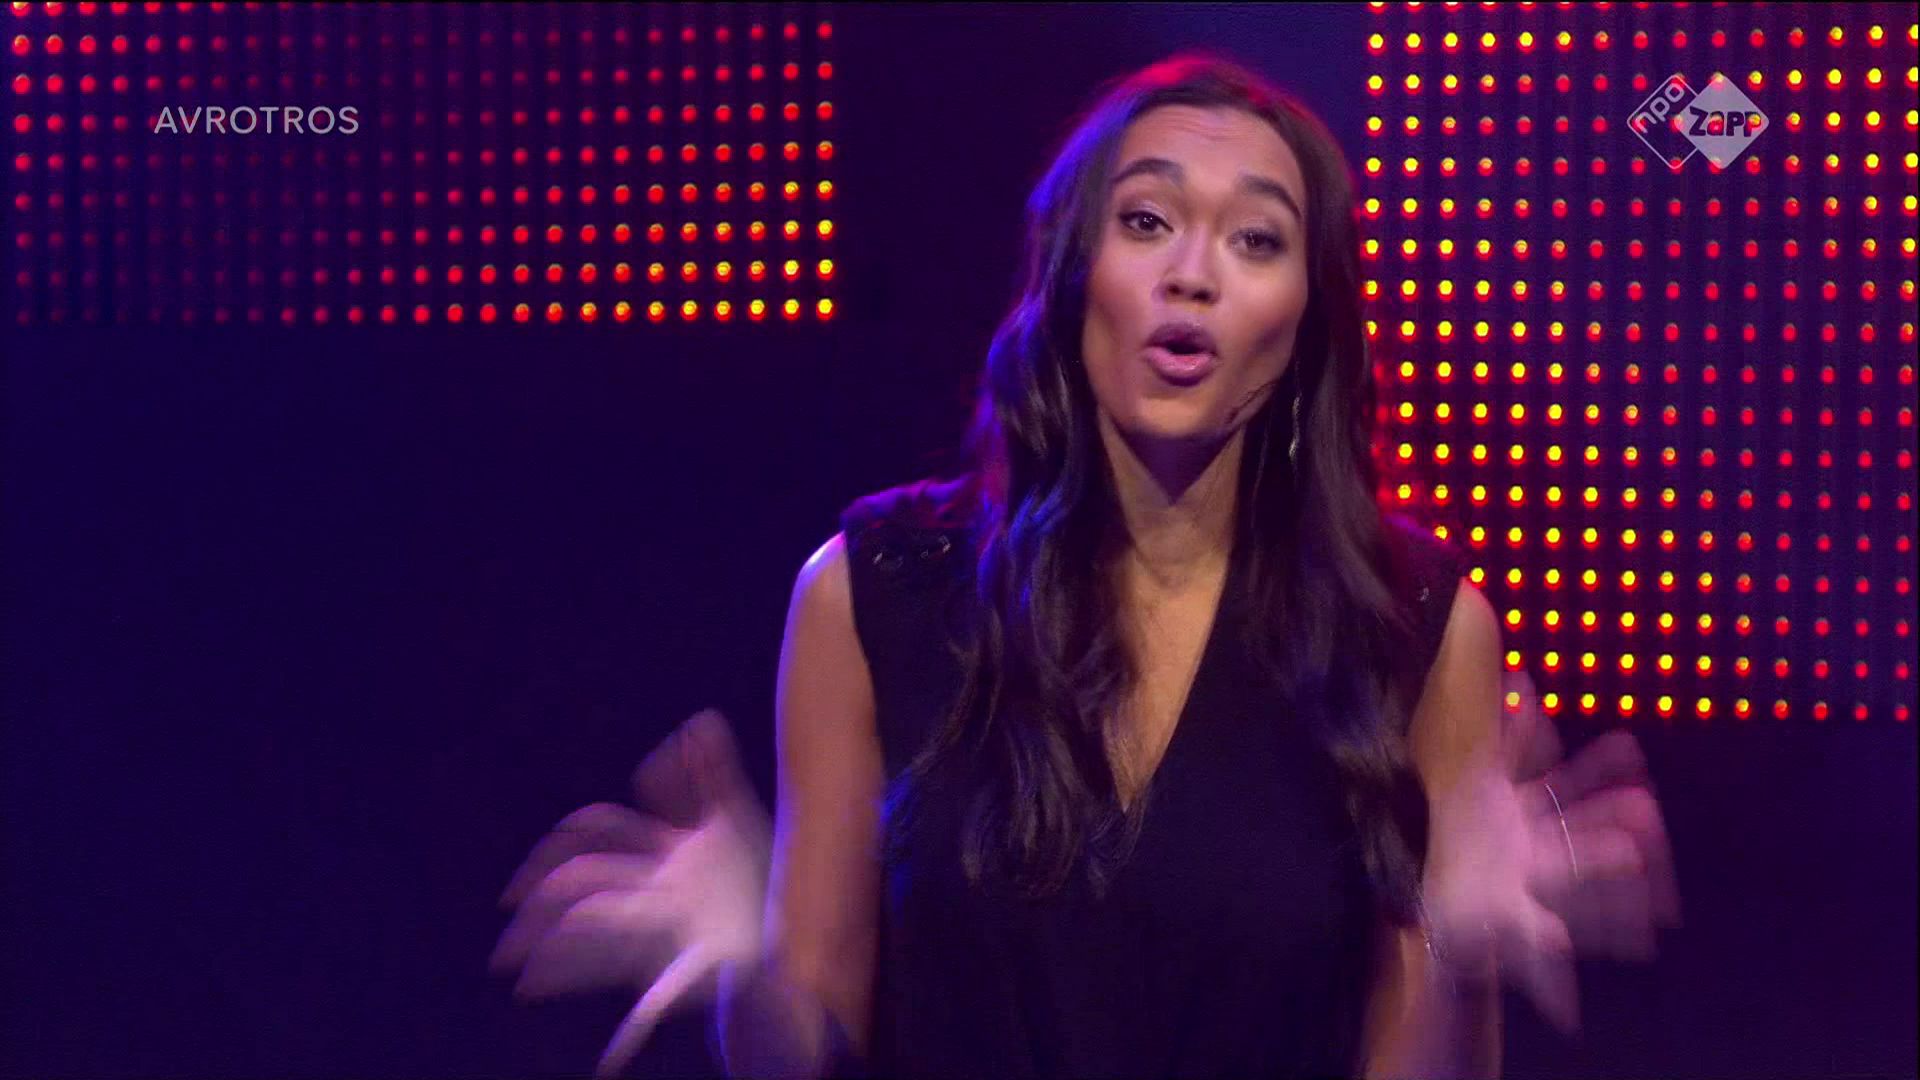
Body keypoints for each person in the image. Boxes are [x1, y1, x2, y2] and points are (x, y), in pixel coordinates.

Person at [488, 52, 1681, 1080]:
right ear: (1072, 271)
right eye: (1147, 220)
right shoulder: (873, 592)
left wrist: (1463, 954)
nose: (1193, 273)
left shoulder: (1413, 627)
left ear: (1306, 320)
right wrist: (745, 968)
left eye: (1257, 238)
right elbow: (801, 1049)